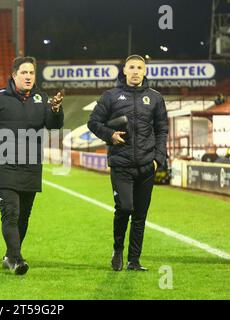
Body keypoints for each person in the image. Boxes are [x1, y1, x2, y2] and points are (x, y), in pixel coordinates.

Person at [0, 56, 64, 275]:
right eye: (24, 73)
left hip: (31, 166)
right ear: (14, 75)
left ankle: (10, 255)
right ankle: (17, 260)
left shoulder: (42, 97)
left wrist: (55, 110)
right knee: (10, 213)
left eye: (31, 73)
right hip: (4, 166)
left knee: (23, 216)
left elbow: (54, 126)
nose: (28, 76)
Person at [87, 54, 168, 272]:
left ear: (145, 71)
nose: (135, 71)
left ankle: (134, 260)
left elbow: (162, 130)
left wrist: (157, 159)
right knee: (125, 207)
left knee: (140, 215)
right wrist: (110, 135)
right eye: (131, 67)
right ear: (124, 70)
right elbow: (93, 122)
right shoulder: (111, 96)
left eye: (139, 67)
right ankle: (117, 249)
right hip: (121, 164)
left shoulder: (155, 98)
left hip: (146, 165)